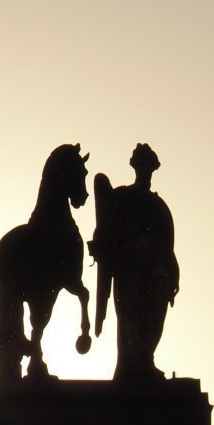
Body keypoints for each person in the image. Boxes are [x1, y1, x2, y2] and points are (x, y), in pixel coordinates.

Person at [89, 142, 180, 381]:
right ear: (135, 168)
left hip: (157, 272)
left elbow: (168, 245)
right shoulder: (123, 198)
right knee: (129, 318)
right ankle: (131, 366)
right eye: (142, 167)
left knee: (153, 320)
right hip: (129, 271)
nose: (145, 172)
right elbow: (106, 230)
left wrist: (174, 273)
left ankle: (145, 361)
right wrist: (102, 246)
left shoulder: (159, 207)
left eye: (149, 168)